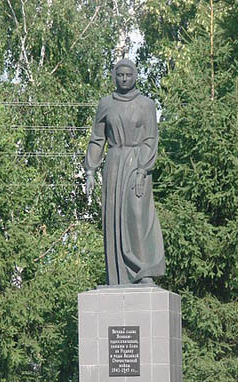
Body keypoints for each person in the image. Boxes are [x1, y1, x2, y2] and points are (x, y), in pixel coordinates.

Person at [84, 58, 165, 285]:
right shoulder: (106, 104)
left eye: (128, 75)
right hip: (114, 163)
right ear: (114, 76)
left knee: (136, 215)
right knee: (113, 217)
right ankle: (117, 278)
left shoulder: (146, 105)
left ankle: (143, 272)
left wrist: (142, 169)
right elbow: (97, 139)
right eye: (120, 75)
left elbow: (151, 139)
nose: (124, 79)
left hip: (137, 164)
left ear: (135, 76)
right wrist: (90, 170)